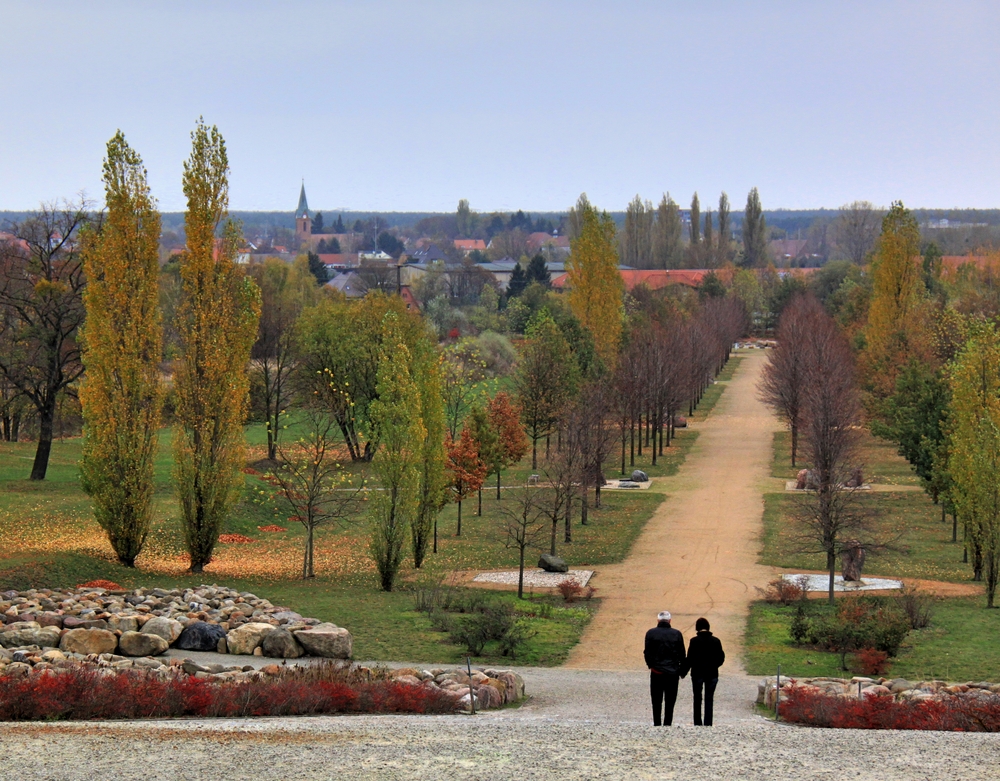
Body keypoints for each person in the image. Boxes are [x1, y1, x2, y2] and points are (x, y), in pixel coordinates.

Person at [643, 610, 686, 726]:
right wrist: (682, 671)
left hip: (656, 671)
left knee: (656, 700)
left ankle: (657, 722)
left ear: (658, 620)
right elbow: (682, 654)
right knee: (670, 701)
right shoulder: (676, 634)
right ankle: (667, 723)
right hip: (672, 673)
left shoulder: (651, 633)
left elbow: (647, 652)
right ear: (670, 621)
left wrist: (651, 665)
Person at [686, 616, 725, 726]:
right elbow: (721, 658)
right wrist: (714, 666)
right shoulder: (716, 641)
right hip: (712, 673)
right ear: (708, 628)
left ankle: (697, 722)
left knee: (697, 698)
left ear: (697, 628)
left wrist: (682, 672)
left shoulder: (694, 641)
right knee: (709, 698)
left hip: (697, 673)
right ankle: (708, 722)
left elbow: (689, 658)